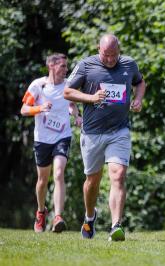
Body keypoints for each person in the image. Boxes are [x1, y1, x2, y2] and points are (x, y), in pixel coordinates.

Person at [64, 34, 146, 241]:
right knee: (93, 180)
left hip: (119, 131)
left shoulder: (129, 64)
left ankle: (115, 226)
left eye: (114, 55)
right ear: (98, 49)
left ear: (119, 50)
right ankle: (89, 217)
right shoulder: (86, 65)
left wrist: (138, 99)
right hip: (92, 133)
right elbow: (67, 92)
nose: (110, 59)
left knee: (118, 176)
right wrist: (90, 98)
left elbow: (140, 83)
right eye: (106, 55)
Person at [21, 53, 82, 233]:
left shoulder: (67, 86)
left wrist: (76, 116)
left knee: (59, 173)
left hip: (62, 136)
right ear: (51, 66)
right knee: (42, 180)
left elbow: (71, 105)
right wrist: (40, 108)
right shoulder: (38, 86)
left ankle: (58, 217)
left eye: (66, 66)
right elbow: (24, 109)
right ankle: (41, 212)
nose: (66, 69)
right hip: (42, 139)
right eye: (62, 66)